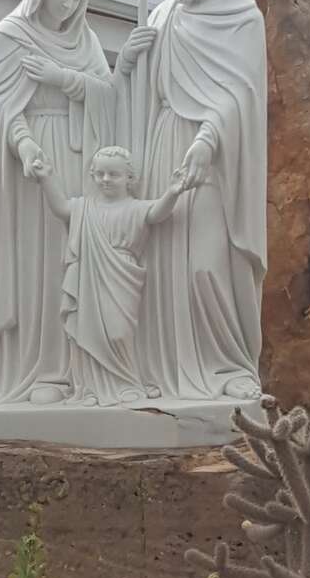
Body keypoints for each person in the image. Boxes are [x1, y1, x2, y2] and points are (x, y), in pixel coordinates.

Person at [116, 0, 267, 401]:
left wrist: (207, 140)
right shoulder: (162, 16)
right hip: (165, 143)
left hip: (213, 151)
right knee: (161, 263)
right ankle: (160, 369)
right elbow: (144, 96)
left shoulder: (243, 18)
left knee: (205, 264)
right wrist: (130, 61)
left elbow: (240, 93)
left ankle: (227, 365)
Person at [0, 0, 117, 405]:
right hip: (32, 167)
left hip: (79, 160)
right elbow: (2, 109)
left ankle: (75, 368)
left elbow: (109, 96)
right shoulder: (9, 37)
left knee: (71, 259)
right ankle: (36, 368)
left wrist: (64, 77)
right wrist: (25, 145)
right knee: (38, 261)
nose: (69, 5)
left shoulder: (87, 42)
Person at [31, 146, 192, 406]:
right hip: (89, 273)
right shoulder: (84, 207)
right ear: (93, 175)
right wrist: (46, 177)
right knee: (85, 332)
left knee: (119, 332)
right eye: (100, 174)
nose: (105, 179)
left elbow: (157, 213)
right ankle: (90, 389)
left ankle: (127, 383)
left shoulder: (136, 208)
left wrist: (173, 192)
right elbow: (60, 208)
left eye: (114, 174)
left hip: (122, 274)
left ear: (130, 179)